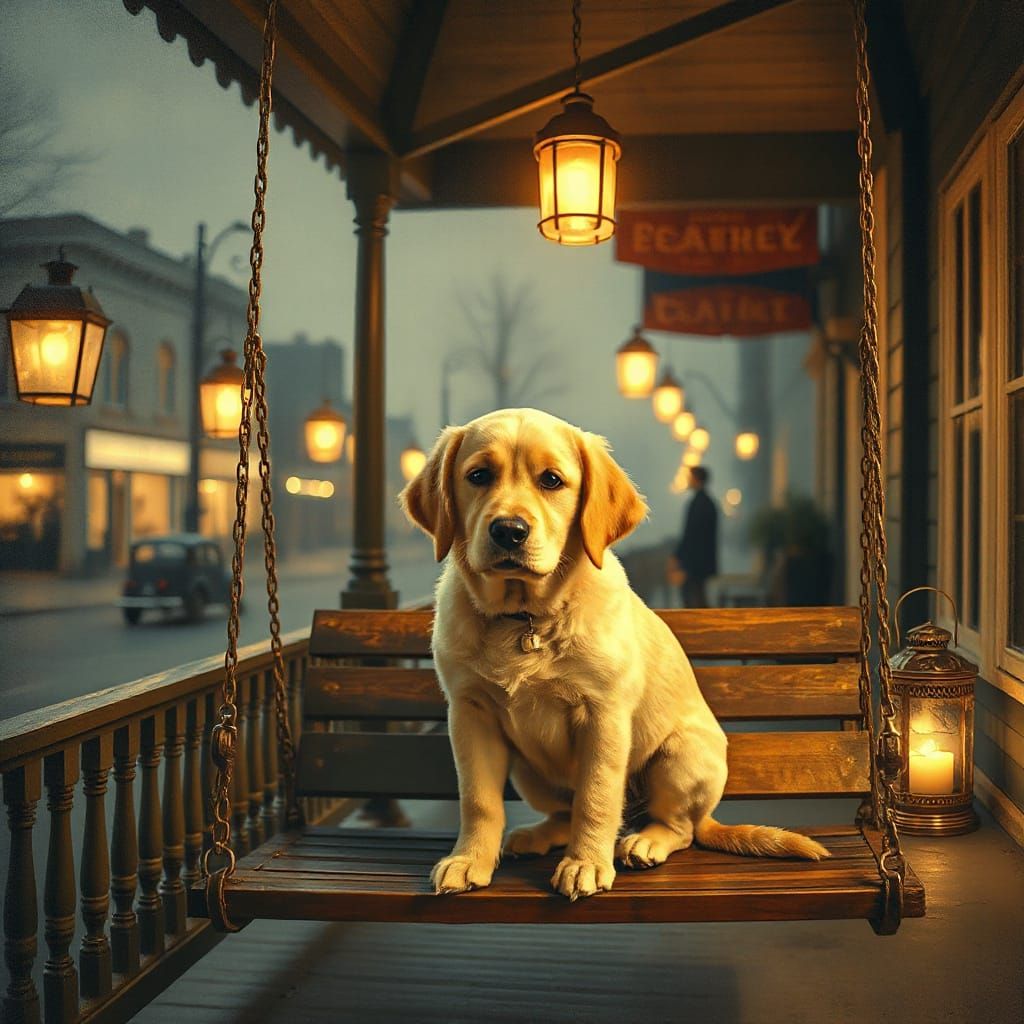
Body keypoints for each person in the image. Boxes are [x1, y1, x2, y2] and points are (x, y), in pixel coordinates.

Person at [671, 466, 719, 608]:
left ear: (697, 479)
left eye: (690, 477)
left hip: (695, 562)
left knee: (692, 598)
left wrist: (678, 557)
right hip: (703, 561)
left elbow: (690, 535)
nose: (688, 481)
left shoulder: (697, 504)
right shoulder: (709, 503)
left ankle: (697, 627)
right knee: (699, 596)